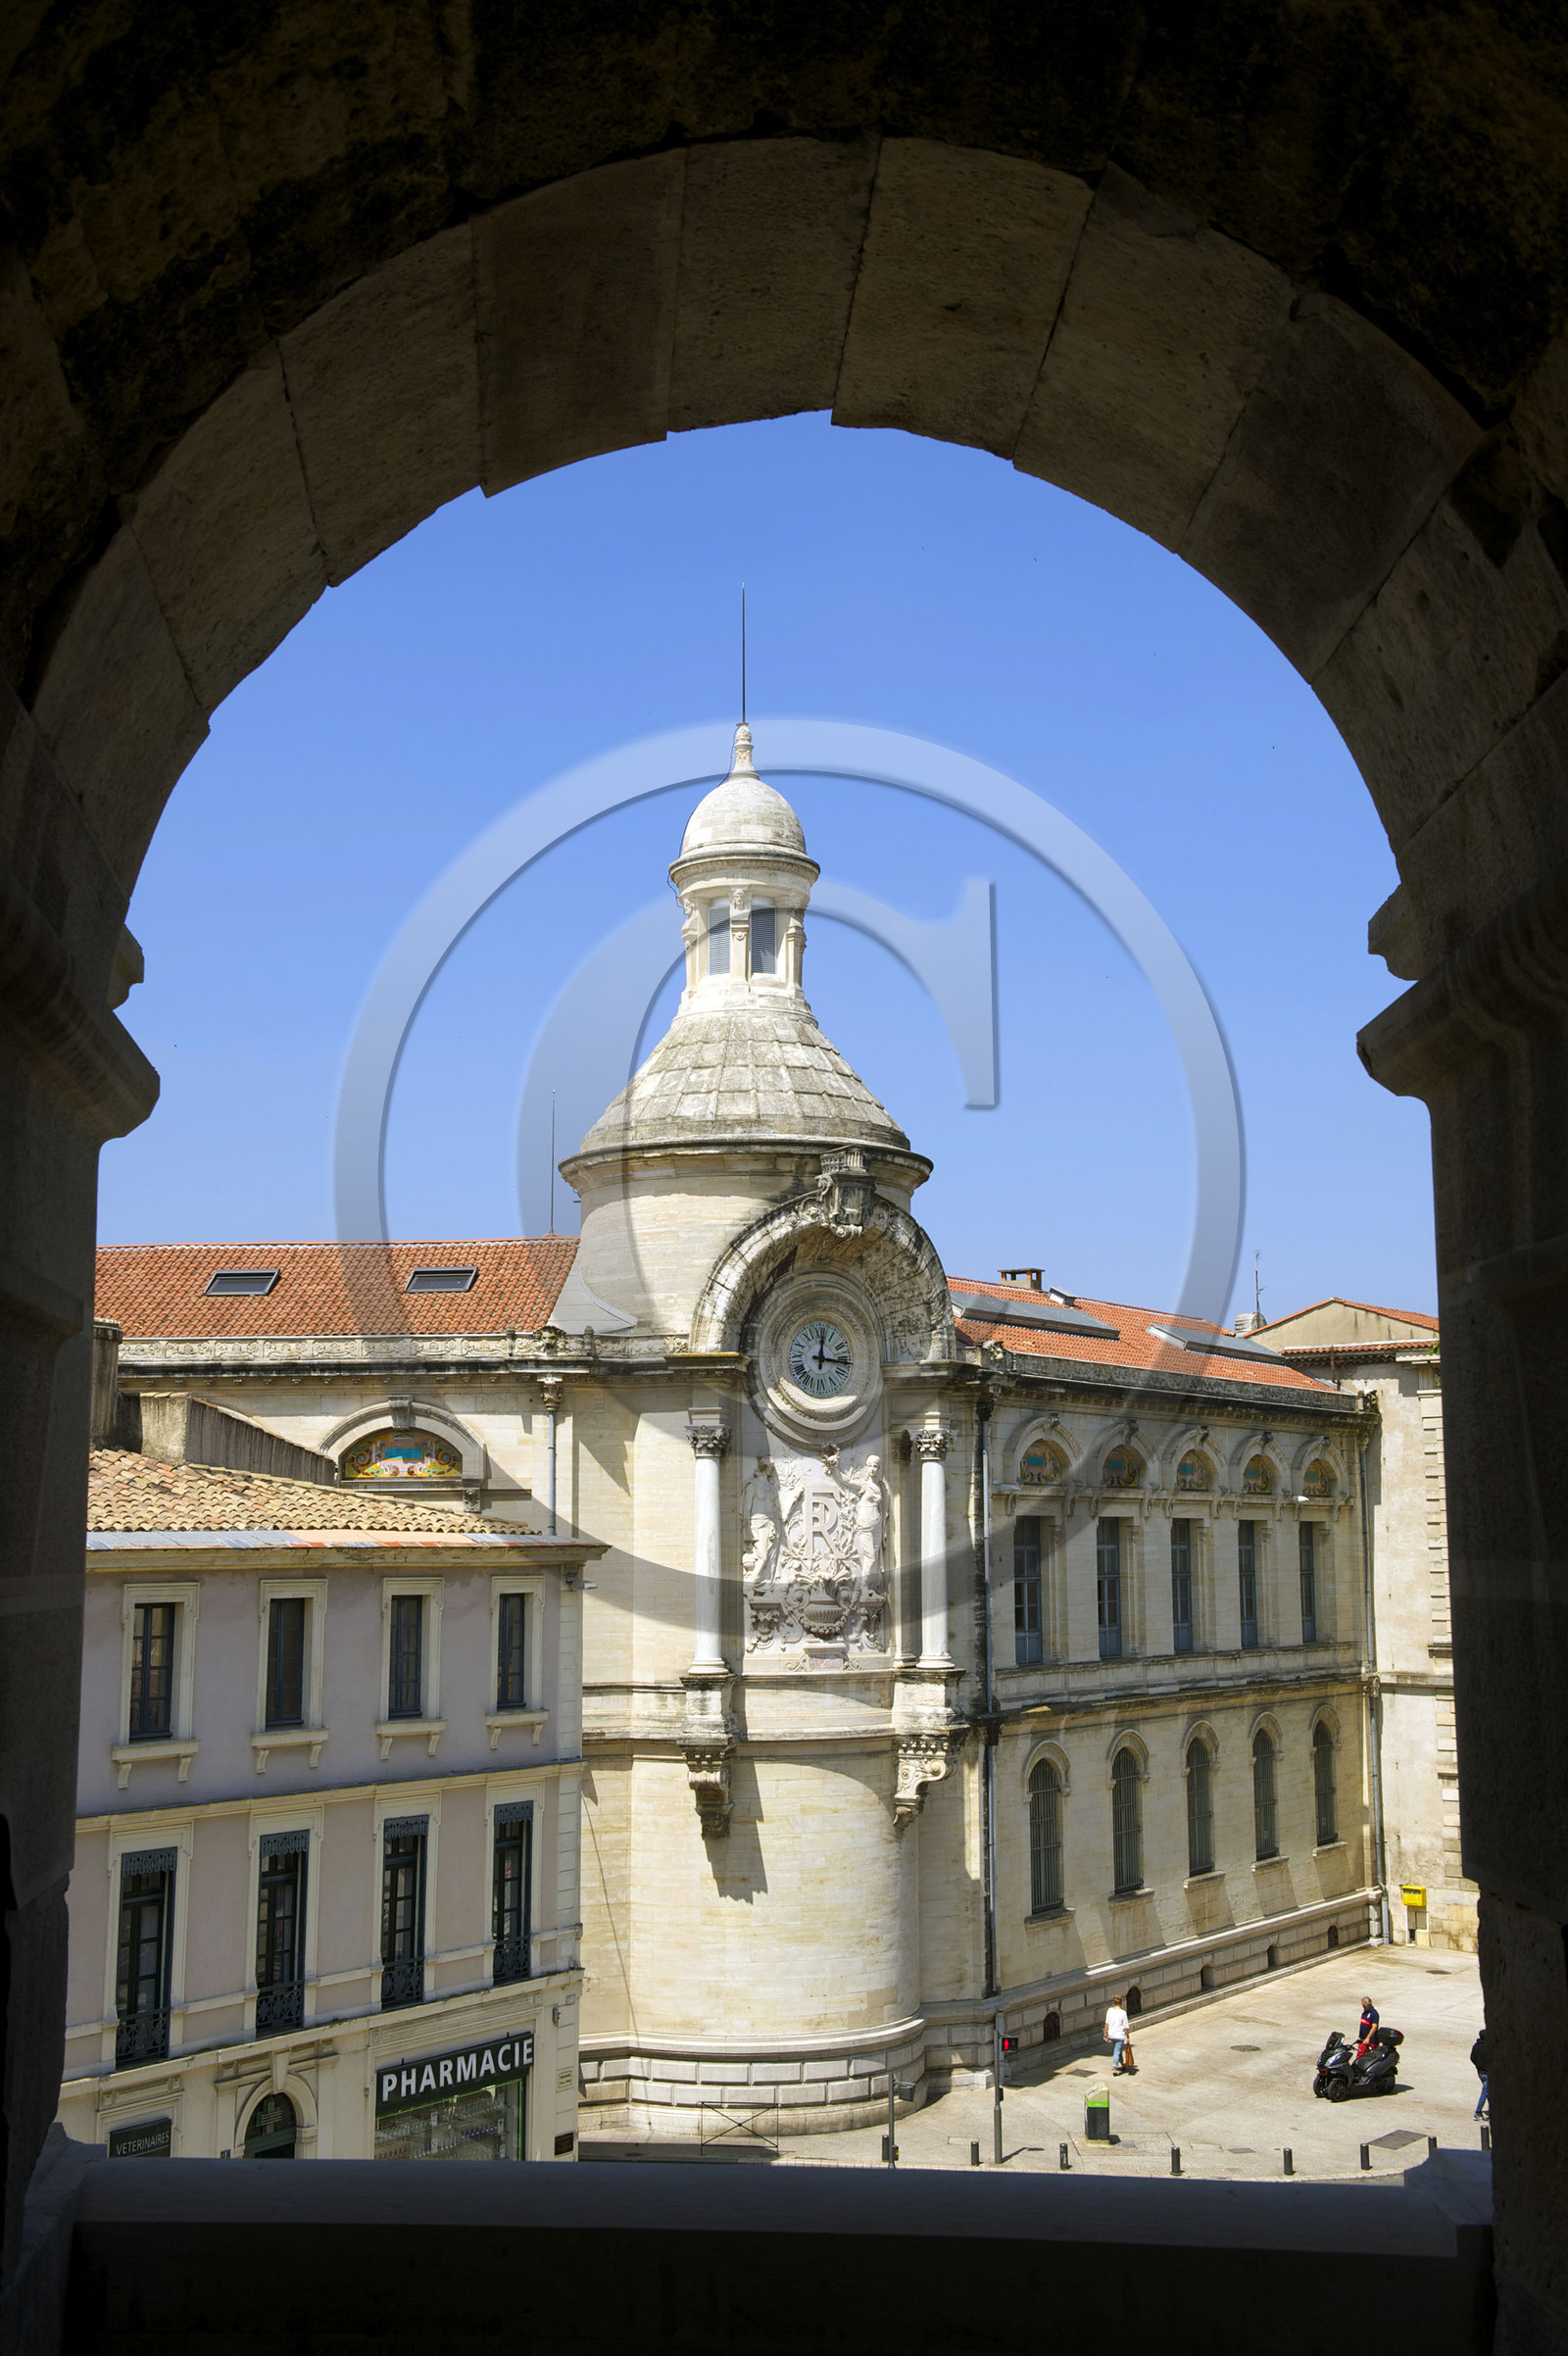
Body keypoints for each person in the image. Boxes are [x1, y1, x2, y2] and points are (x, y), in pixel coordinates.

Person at [1104, 1995, 1131, 2075]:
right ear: (1121, 2003)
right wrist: (1127, 2036)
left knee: (1117, 2050)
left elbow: (1107, 2023)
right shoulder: (1123, 2013)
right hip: (1119, 2035)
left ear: (1114, 2002)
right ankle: (1115, 2067)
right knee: (1117, 2051)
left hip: (1112, 2034)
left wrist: (1105, 2033)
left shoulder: (1109, 2010)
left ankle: (1123, 2064)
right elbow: (1126, 2026)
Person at [1470, 2027, 1491, 2121]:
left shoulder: (1476, 2046)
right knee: (1485, 2093)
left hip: (1480, 2072)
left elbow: (1472, 2058)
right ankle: (1478, 2112)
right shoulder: (1489, 2047)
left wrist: (1478, 2066)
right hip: (1488, 2073)